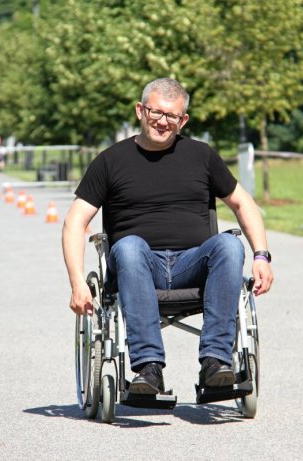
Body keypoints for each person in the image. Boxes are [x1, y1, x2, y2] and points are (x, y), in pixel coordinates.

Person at [62, 78, 274, 395]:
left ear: (183, 120)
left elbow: (244, 203)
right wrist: (78, 283)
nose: (163, 121)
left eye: (172, 116)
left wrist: (262, 256)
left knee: (229, 244)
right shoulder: (110, 161)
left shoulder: (201, 156)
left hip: (193, 263)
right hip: (139, 266)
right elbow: (74, 222)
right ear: (140, 110)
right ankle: (149, 368)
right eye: (156, 112)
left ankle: (216, 363)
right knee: (130, 245)